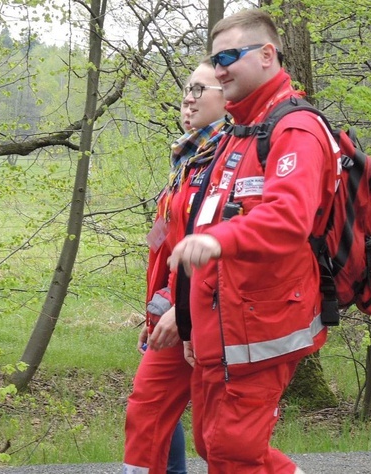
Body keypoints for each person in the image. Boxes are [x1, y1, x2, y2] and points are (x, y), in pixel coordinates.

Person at [167, 9, 340, 474]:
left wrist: (221, 240)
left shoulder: (295, 129)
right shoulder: (238, 132)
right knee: (211, 443)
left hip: (261, 326)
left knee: (231, 449)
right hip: (216, 328)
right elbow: (202, 223)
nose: (219, 68)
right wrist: (190, 325)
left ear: (267, 55)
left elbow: (287, 217)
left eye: (228, 56)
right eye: (213, 58)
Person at [123, 60, 228, 474]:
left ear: (228, 97)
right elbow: (164, 244)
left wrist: (180, 312)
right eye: (187, 88)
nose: (188, 98)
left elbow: (212, 246)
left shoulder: (225, 158)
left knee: (216, 437)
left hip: (208, 312)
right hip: (174, 308)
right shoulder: (187, 160)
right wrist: (155, 312)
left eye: (201, 90)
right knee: (151, 408)